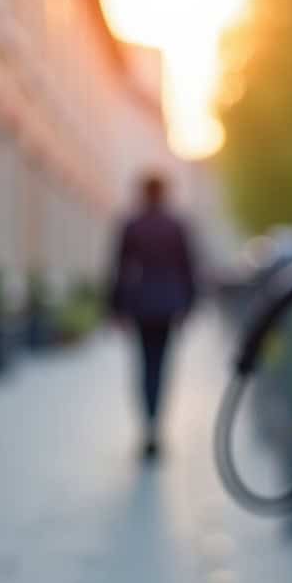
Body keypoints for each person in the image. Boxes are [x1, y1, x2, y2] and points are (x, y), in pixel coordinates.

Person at [109, 173, 197, 458]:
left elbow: (119, 268)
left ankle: (148, 427)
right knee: (161, 367)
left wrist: (116, 308)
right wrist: (189, 306)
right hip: (169, 306)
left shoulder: (132, 225)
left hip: (142, 305)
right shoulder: (176, 226)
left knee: (145, 366)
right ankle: (156, 426)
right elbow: (189, 268)